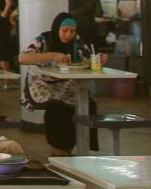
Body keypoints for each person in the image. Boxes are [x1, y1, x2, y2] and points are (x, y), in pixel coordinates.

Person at [19, 12, 103, 155]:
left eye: (72, 31)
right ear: (57, 28)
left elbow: (87, 59)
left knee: (88, 104)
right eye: (64, 31)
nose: (68, 35)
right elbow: (23, 58)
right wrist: (53, 55)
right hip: (45, 85)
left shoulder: (77, 42)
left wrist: (97, 60)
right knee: (58, 108)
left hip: (67, 84)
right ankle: (59, 148)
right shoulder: (44, 40)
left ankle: (79, 146)